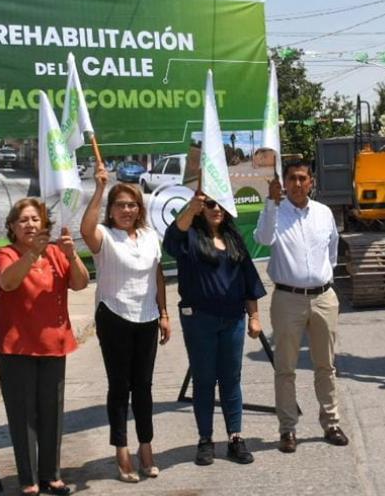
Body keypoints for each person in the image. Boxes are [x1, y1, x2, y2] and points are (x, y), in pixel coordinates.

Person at [0, 199, 90, 496]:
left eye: (35, 219)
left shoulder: (55, 253)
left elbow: (81, 283)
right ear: (12, 226)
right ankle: (29, 479)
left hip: (53, 344)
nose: (30, 225)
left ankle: (52, 474)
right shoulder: (5, 254)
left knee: (52, 414)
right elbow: (8, 283)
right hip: (17, 348)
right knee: (23, 418)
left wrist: (72, 256)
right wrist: (32, 253)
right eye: (23, 220)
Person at [80, 165, 170, 483]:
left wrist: (164, 313)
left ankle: (146, 447)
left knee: (143, 387)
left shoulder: (148, 236)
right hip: (114, 316)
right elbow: (85, 230)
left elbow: (156, 275)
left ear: (139, 208)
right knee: (119, 387)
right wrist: (100, 189)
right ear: (112, 209)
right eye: (120, 205)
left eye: (131, 205)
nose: (126, 210)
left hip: (146, 318)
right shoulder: (104, 235)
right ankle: (121, 450)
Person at [164, 190, 266, 466]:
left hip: (233, 319)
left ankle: (234, 437)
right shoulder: (190, 238)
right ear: (200, 207)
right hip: (199, 320)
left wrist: (254, 317)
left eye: (221, 203)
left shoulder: (234, 240)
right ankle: (205, 440)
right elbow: (170, 242)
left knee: (231, 379)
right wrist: (191, 209)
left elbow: (249, 282)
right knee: (204, 380)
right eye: (210, 204)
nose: (216, 208)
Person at [254, 159, 350, 454]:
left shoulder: (323, 214)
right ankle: (288, 429)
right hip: (287, 299)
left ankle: (331, 422)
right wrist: (270, 203)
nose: (297, 184)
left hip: (323, 297)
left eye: (302, 178)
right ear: (284, 183)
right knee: (285, 368)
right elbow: (263, 238)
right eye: (292, 178)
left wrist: (319, 279)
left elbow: (331, 251)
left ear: (311, 182)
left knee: (326, 365)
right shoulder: (274, 212)